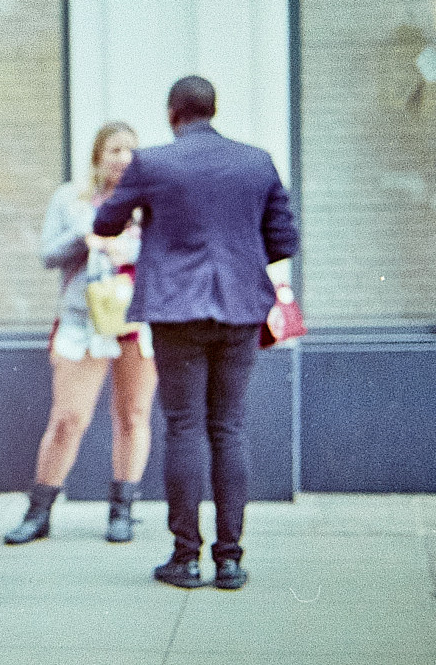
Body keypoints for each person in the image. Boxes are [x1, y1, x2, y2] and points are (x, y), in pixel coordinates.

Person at [94, 76, 299, 591]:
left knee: (183, 428)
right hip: (240, 309)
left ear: (172, 113)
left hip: (175, 310)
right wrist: (237, 258)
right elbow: (284, 238)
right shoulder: (257, 160)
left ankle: (184, 558)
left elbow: (105, 224)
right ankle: (229, 561)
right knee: (228, 428)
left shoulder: (153, 163)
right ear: (214, 109)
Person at [5, 122, 158, 547]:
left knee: (132, 416)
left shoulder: (151, 203)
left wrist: (131, 246)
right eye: (113, 149)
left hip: (135, 320)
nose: (122, 158)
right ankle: (39, 512)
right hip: (83, 319)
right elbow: (47, 254)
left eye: (130, 150)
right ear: (96, 155)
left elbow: (168, 255)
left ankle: (122, 509)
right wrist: (87, 237)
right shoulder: (70, 199)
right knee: (68, 418)